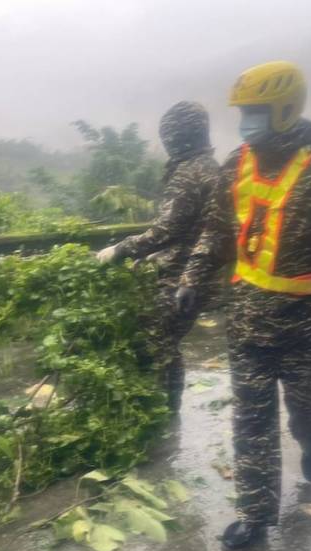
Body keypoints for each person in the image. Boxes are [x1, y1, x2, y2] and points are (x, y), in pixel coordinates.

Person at [175, 61, 311, 551]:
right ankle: (255, 513)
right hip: (247, 320)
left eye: (255, 111)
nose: (246, 120)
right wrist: (191, 277)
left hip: (310, 325)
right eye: (243, 111)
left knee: (310, 415)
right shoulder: (237, 162)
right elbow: (216, 229)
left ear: (285, 110)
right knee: (251, 421)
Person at [96, 101, 219, 411]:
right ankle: (165, 408)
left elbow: (170, 227)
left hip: (185, 275)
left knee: (157, 342)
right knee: (165, 341)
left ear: (176, 137)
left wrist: (122, 249)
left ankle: (162, 413)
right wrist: (153, 255)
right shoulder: (207, 166)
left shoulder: (190, 172)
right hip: (197, 269)